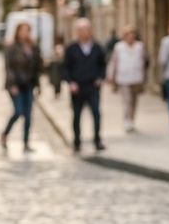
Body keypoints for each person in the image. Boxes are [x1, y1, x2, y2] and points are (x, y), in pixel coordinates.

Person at [61, 18, 107, 153]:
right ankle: (76, 142)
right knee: (76, 115)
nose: (83, 32)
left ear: (90, 31)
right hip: (77, 87)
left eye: (86, 29)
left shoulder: (97, 47)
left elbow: (103, 65)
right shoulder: (71, 48)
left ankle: (97, 140)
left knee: (96, 113)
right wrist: (70, 82)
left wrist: (100, 78)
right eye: (80, 30)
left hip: (92, 86)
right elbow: (65, 68)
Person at [1, 21, 43, 152]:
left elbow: (37, 67)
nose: (25, 33)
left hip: (29, 84)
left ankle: (26, 142)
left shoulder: (33, 47)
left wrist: (38, 85)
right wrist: (12, 84)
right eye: (22, 30)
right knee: (18, 111)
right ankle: (5, 134)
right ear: (18, 32)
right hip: (16, 84)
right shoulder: (12, 47)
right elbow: (8, 67)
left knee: (29, 115)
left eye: (27, 30)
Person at [106, 24, 147, 133]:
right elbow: (113, 62)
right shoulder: (119, 47)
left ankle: (131, 119)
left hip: (136, 77)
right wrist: (111, 75)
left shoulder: (139, 46)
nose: (130, 37)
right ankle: (127, 121)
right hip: (123, 78)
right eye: (128, 35)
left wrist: (143, 77)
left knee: (134, 101)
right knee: (127, 100)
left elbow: (143, 62)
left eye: (132, 35)